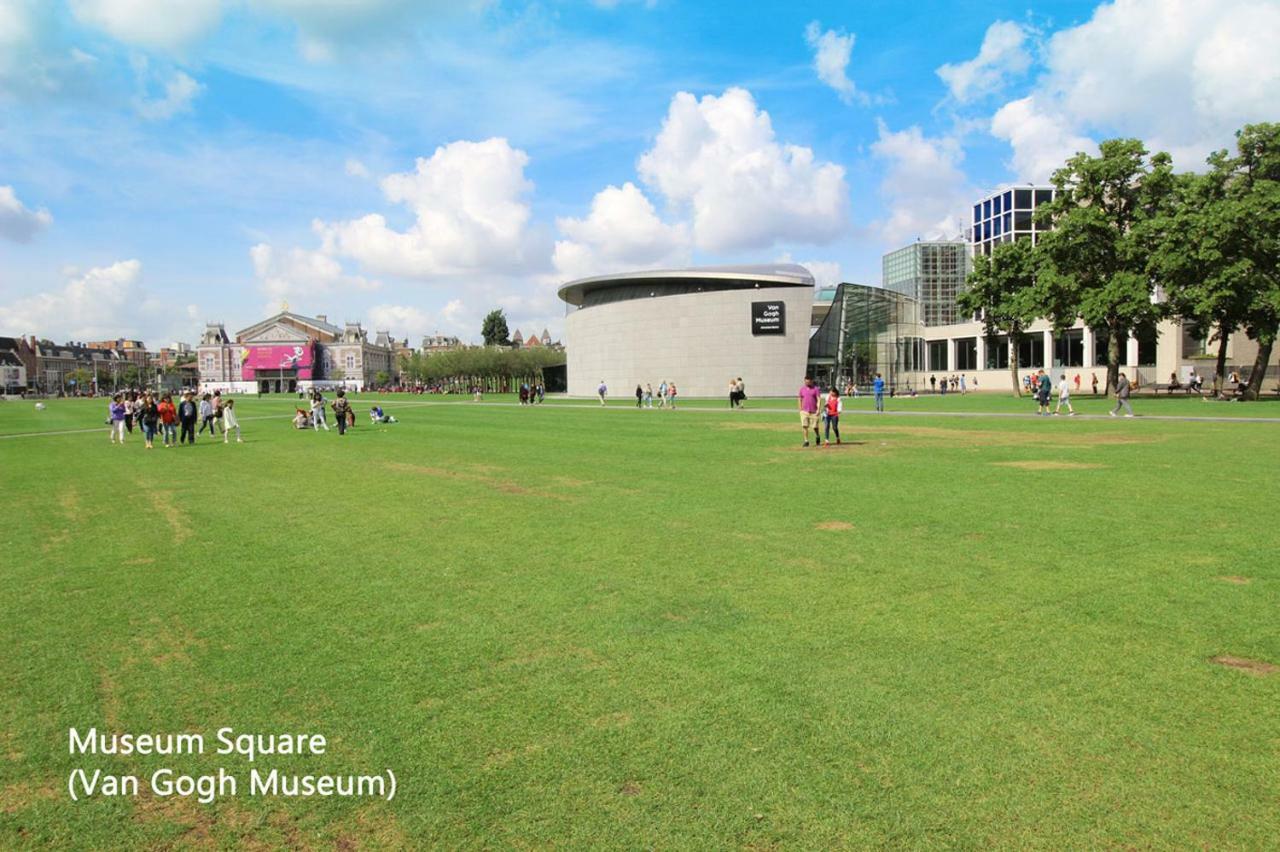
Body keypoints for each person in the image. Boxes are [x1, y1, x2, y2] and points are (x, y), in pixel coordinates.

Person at [798, 375, 823, 447]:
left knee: (815, 427)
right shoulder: (802, 389)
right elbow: (799, 399)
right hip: (804, 411)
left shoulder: (816, 389)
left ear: (811, 381)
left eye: (808, 382)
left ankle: (817, 435)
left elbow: (818, 399)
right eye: (805, 381)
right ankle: (806, 441)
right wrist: (800, 409)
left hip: (814, 411)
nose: (806, 383)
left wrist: (818, 409)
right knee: (804, 426)